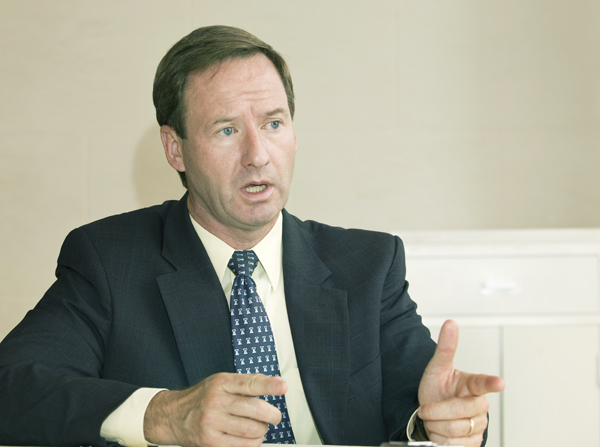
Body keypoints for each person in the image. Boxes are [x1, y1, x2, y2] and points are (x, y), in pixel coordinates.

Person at [0, 25, 504, 447]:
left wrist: (440, 422)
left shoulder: (368, 264)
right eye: (226, 130)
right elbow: (11, 388)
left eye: (273, 123)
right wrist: (166, 414)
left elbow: (424, 403)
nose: (258, 155)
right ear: (175, 150)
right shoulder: (111, 261)